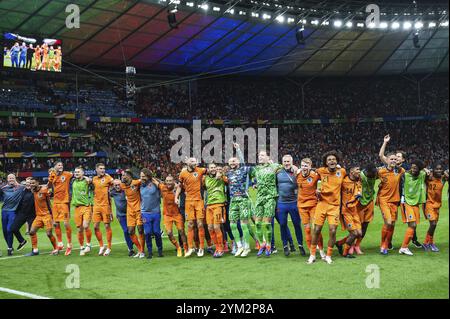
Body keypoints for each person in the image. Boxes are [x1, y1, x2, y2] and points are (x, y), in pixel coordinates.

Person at [307, 151, 346, 265]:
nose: (332, 161)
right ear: (326, 162)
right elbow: (311, 175)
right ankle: (313, 254)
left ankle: (328, 255)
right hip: (322, 205)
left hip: (334, 207)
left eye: (333, 159)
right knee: (317, 230)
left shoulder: (342, 171)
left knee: (333, 231)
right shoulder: (321, 171)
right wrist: (316, 190)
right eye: (329, 160)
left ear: (337, 161)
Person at [250, 150, 285, 257]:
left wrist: (296, 169)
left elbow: (288, 168)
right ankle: (262, 244)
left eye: (262, 155)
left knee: (267, 222)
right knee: (257, 223)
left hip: (271, 197)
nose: (259, 156)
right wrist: (254, 184)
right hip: (260, 197)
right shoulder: (256, 169)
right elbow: (249, 176)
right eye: (259, 155)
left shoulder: (274, 166)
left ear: (268, 157)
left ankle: (269, 245)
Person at [225, 143, 255, 257]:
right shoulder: (228, 173)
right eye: (230, 161)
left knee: (243, 224)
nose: (232, 163)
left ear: (238, 162)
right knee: (232, 224)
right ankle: (239, 246)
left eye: (234, 161)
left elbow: (242, 160)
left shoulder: (243, 169)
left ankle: (247, 247)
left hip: (243, 199)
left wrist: (238, 149)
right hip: (233, 200)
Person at [175, 158, 207, 257]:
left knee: (200, 224)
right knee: (189, 224)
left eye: (195, 162)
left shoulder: (200, 170)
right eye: (192, 161)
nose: (195, 163)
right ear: (187, 163)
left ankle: (201, 248)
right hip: (188, 202)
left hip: (199, 201)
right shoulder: (183, 173)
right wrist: (176, 197)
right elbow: (180, 186)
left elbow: (211, 170)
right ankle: (190, 247)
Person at [377, 145, 405, 255]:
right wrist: (385, 142)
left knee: (392, 224)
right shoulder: (381, 171)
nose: (393, 160)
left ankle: (387, 243)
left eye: (395, 159)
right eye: (391, 159)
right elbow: (380, 155)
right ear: (387, 160)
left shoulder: (400, 170)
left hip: (395, 200)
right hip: (383, 200)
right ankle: (383, 245)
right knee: (388, 222)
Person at [399, 159, 429, 256]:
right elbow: (400, 187)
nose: (413, 169)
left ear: (419, 169)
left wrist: (425, 169)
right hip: (407, 202)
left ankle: (404, 247)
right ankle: (404, 247)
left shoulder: (422, 175)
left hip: (416, 204)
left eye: (415, 168)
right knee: (412, 225)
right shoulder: (405, 175)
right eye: (412, 167)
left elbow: (427, 171)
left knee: (414, 225)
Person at [277, 155, 305, 256]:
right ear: (282, 162)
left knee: (297, 224)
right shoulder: (278, 172)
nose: (286, 163)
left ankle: (300, 245)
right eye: (284, 161)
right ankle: (285, 246)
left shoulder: (297, 172)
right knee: (283, 224)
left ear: (292, 162)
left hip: (294, 203)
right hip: (281, 203)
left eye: (288, 161)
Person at [296, 158, 324, 257]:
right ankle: (312, 252)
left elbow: (326, 175)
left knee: (316, 228)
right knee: (307, 229)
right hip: (302, 206)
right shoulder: (297, 174)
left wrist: (320, 189)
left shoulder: (315, 175)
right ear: (300, 166)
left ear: (310, 166)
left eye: (306, 166)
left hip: (313, 205)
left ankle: (321, 250)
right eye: (303, 165)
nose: (304, 167)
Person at [25, 178, 58, 256]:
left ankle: (56, 249)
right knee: (32, 232)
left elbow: (50, 201)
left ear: (37, 182)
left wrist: (54, 219)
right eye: (31, 183)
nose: (32, 185)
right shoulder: (33, 190)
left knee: (49, 234)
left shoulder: (44, 190)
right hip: (39, 216)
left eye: (33, 183)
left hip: (47, 215)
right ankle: (35, 250)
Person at [155, 175, 187, 257]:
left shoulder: (178, 188)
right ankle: (178, 247)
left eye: (170, 181)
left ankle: (186, 248)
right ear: (165, 181)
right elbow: (154, 181)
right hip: (167, 215)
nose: (169, 182)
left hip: (177, 214)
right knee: (169, 233)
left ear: (173, 181)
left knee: (181, 231)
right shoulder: (162, 187)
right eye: (167, 181)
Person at [335, 166, 362, 258]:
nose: (359, 171)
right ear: (351, 171)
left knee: (359, 233)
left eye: (359, 170)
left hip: (354, 211)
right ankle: (345, 253)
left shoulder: (358, 181)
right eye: (357, 169)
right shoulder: (344, 181)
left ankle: (339, 243)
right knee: (354, 233)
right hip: (345, 211)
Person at [48, 162, 73, 255]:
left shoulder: (67, 174)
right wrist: (51, 178)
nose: (61, 166)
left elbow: (77, 174)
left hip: (64, 202)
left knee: (66, 223)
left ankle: (69, 245)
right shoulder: (52, 175)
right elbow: (49, 186)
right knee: (55, 223)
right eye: (58, 165)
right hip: (55, 202)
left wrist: (86, 178)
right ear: (54, 167)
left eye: (62, 165)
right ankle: (60, 243)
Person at [203, 163, 227, 258]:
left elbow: (227, 181)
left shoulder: (221, 177)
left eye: (214, 168)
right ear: (208, 169)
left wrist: (221, 175)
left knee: (217, 227)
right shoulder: (205, 179)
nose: (213, 169)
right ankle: (216, 247)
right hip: (209, 205)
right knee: (209, 228)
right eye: (211, 168)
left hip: (218, 204)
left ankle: (221, 248)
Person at [422, 163, 448, 252]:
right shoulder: (428, 178)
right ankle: (426, 243)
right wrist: (425, 170)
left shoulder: (443, 179)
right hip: (429, 204)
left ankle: (431, 243)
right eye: (436, 169)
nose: (438, 170)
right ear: (433, 170)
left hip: (437, 205)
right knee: (433, 224)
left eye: (440, 169)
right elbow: (420, 169)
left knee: (434, 225)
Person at [1, 174, 27, 256]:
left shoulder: (21, 187)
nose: (11, 179)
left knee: (9, 229)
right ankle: (11, 247)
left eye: (12, 178)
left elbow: (32, 185)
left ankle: (9, 248)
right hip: (4, 211)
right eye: (10, 178)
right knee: (5, 231)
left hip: (13, 211)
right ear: (7, 179)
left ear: (15, 179)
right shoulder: (3, 188)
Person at [121, 169, 145, 258]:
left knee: (140, 230)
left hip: (139, 209)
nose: (122, 177)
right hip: (129, 211)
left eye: (124, 175)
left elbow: (145, 179)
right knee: (130, 231)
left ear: (129, 176)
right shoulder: (122, 185)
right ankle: (139, 249)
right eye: (122, 175)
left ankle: (142, 251)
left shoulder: (136, 182)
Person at [355, 163, 378, 254]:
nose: (372, 176)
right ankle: (350, 244)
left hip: (370, 201)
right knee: (357, 226)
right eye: (370, 175)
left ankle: (357, 245)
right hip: (359, 203)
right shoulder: (360, 175)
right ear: (366, 172)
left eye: (373, 175)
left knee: (365, 225)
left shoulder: (376, 173)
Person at [140, 168, 163, 259]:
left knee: (157, 232)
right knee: (147, 233)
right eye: (141, 176)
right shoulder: (139, 185)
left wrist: (155, 180)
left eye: (143, 176)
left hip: (156, 212)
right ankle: (149, 251)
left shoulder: (155, 183)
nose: (141, 178)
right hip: (145, 213)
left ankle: (160, 250)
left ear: (148, 176)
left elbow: (163, 187)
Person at [91, 163, 114, 256]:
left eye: (104, 168)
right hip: (96, 206)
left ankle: (109, 247)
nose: (103, 170)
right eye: (100, 168)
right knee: (95, 227)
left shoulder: (108, 178)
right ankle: (101, 246)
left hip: (105, 206)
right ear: (96, 169)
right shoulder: (94, 179)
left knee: (107, 226)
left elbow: (116, 184)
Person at [71, 167, 93, 256]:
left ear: (83, 173)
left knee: (85, 225)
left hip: (86, 206)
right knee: (79, 229)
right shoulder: (73, 181)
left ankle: (88, 244)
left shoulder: (87, 181)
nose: (76, 173)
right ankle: (82, 247)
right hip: (77, 208)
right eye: (75, 172)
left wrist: (89, 179)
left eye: (78, 172)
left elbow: (92, 182)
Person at [10, 177, 37, 253]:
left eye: (30, 182)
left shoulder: (35, 191)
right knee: (13, 228)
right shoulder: (22, 190)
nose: (28, 183)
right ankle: (22, 241)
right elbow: (16, 184)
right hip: (21, 213)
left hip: (32, 214)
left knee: (32, 232)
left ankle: (34, 248)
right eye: (27, 182)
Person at [110, 179, 135, 256]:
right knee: (125, 230)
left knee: (132, 231)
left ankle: (134, 243)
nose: (117, 186)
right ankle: (130, 249)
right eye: (115, 185)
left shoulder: (126, 190)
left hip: (130, 214)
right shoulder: (112, 192)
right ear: (113, 186)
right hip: (120, 215)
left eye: (119, 184)